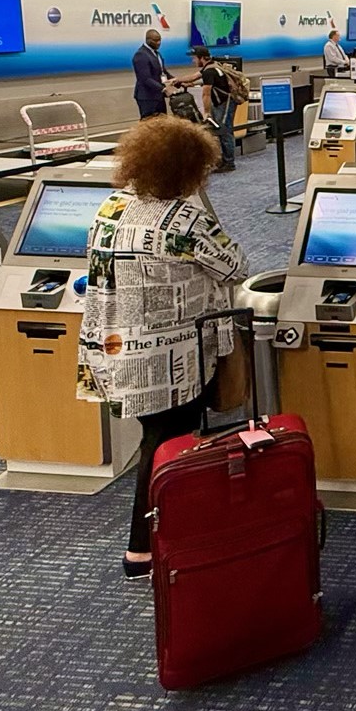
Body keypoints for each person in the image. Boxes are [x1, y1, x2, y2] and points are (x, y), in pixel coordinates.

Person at [77, 117, 247, 580]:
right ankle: (143, 548)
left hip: (113, 350)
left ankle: (166, 532)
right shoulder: (186, 220)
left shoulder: (110, 208)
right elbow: (234, 266)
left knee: (155, 436)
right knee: (166, 444)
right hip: (170, 361)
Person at [173, 45, 238, 172]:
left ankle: (229, 162)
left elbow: (206, 94)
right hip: (221, 102)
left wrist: (206, 113)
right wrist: (177, 80)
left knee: (224, 131)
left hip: (224, 103)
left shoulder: (209, 71)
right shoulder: (212, 66)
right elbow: (193, 77)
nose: (193, 61)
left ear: (201, 58)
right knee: (221, 130)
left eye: (194, 58)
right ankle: (225, 160)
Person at [131, 29, 170, 119]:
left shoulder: (156, 53)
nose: (159, 43)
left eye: (160, 40)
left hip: (158, 96)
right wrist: (163, 88)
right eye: (155, 40)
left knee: (163, 123)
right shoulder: (141, 55)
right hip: (147, 97)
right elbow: (145, 79)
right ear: (147, 40)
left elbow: (163, 72)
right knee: (149, 126)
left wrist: (178, 81)